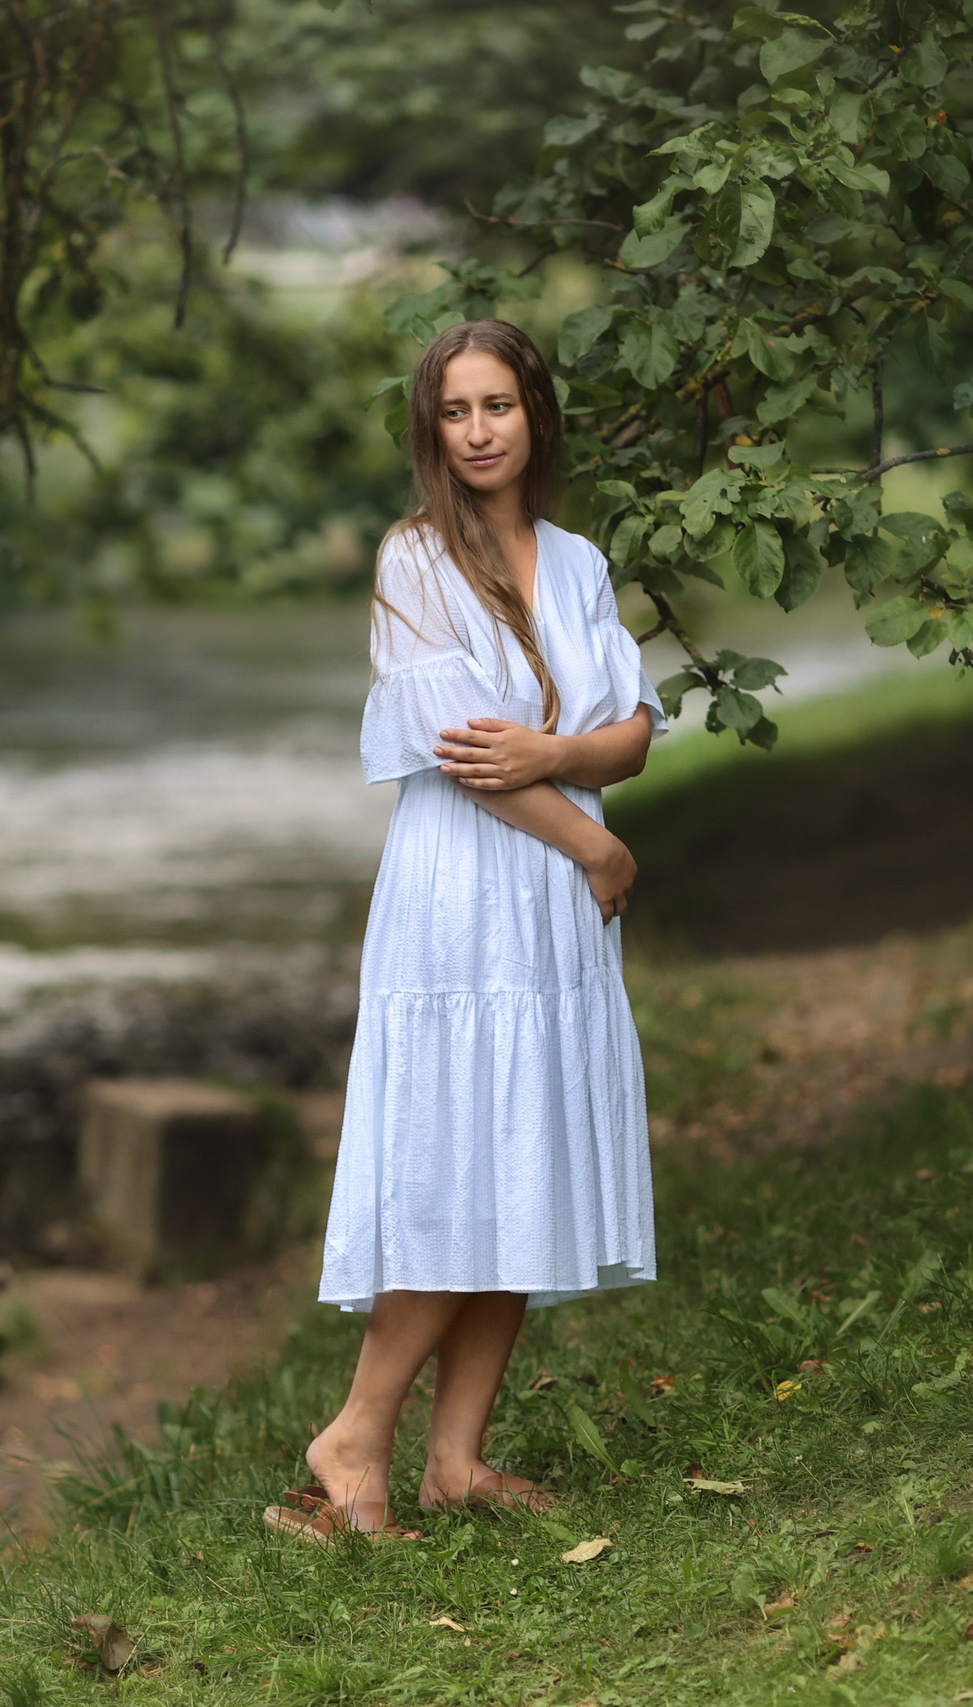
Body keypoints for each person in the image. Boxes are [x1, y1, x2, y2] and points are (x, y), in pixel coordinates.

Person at [269, 319, 662, 1543]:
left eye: (498, 405)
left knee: (523, 1158)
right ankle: (353, 1436)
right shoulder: (414, 562)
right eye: (455, 412)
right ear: (431, 432)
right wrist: (591, 833)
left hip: (551, 905)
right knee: (457, 1165)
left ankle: (454, 1460)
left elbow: (635, 732)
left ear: (534, 413)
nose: (480, 430)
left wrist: (561, 754)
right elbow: (464, 757)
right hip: (466, 894)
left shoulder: (581, 560)